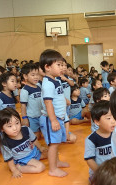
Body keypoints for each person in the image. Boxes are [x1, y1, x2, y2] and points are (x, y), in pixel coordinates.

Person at [39, 49, 70, 177]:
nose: (62, 68)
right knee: (53, 144)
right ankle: (52, 169)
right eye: (58, 65)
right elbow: (48, 103)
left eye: (63, 65)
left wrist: (64, 100)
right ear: (47, 67)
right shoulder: (47, 83)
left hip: (58, 117)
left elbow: (56, 97)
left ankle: (56, 162)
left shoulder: (55, 80)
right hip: (51, 118)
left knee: (56, 143)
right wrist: (53, 120)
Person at [0, 108, 46, 178]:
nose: (15, 128)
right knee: (41, 167)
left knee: (50, 153)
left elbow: (34, 140)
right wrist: (14, 170)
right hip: (23, 159)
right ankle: (19, 167)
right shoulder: (5, 143)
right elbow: (9, 159)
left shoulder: (26, 129)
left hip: (34, 152)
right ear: (2, 129)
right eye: (10, 126)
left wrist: (40, 147)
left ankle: (36, 158)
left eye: (17, 123)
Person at [85, 100, 115, 180]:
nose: (113, 121)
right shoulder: (91, 139)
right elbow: (89, 159)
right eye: (108, 118)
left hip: (114, 171)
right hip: (98, 173)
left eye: (114, 117)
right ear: (97, 122)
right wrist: (101, 173)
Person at [20, 63, 42, 136]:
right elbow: (23, 106)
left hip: (41, 116)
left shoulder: (39, 86)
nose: (36, 77)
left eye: (37, 74)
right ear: (25, 76)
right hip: (32, 118)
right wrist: (25, 118)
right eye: (33, 75)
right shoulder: (25, 90)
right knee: (36, 136)